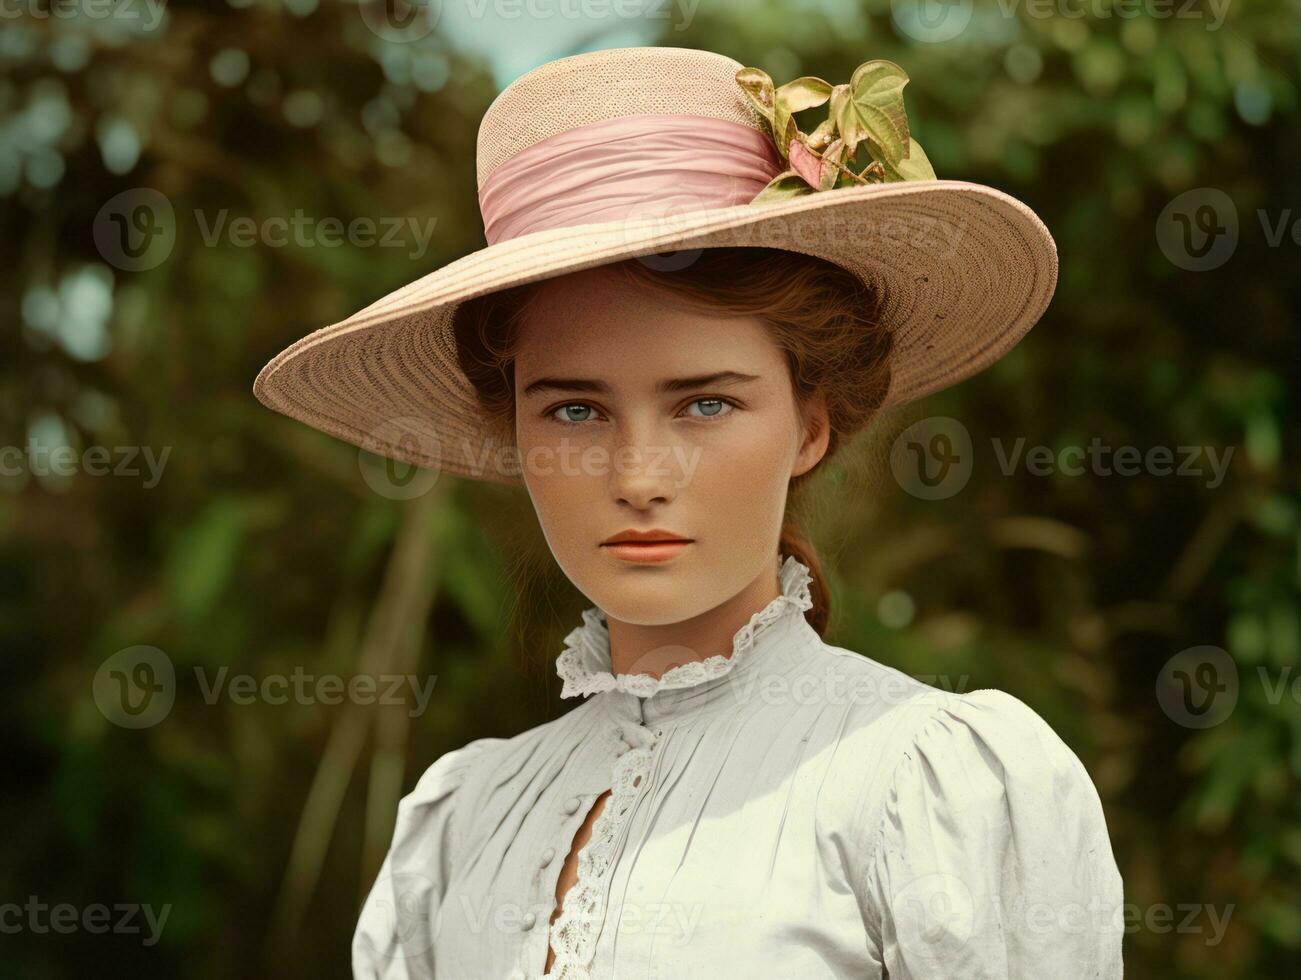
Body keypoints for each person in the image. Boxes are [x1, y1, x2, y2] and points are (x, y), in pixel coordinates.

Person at [254, 45, 1124, 980]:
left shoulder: (928, 784)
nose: (638, 475)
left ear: (809, 427)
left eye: (705, 403)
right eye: (574, 410)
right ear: (514, 436)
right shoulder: (460, 825)